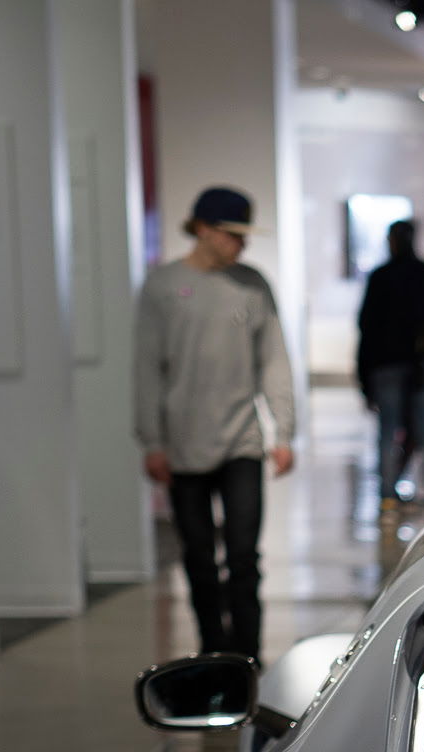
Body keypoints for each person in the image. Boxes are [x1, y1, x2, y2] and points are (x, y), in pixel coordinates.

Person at [132, 186, 296, 660]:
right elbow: (146, 368)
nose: (239, 246)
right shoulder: (163, 286)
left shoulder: (253, 284)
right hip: (184, 444)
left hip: (243, 441)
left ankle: (247, 655)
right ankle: (212, 650)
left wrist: (282, 430)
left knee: (244, 557)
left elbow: (273, 361)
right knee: (199, 558)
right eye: (231, 235)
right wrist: (152, 439)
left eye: (244, 237)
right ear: (201, 229)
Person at [354, 218, 424, 519]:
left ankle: (388, 497)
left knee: (388, 432)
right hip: (421, 364)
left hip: (387, 365)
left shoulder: (381, 277)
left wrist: (364, 377)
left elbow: (367, 328)